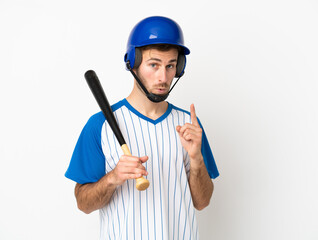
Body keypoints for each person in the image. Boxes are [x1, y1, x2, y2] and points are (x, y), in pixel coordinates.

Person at [65, 16, 219, 240]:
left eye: (171, 66)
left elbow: (202, 202)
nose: (163, 77)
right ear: (133, 63)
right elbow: (83, 204)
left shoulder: (189, 126)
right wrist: (113, 178)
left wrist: (196, 159)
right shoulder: (99, 125)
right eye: (154, 65)